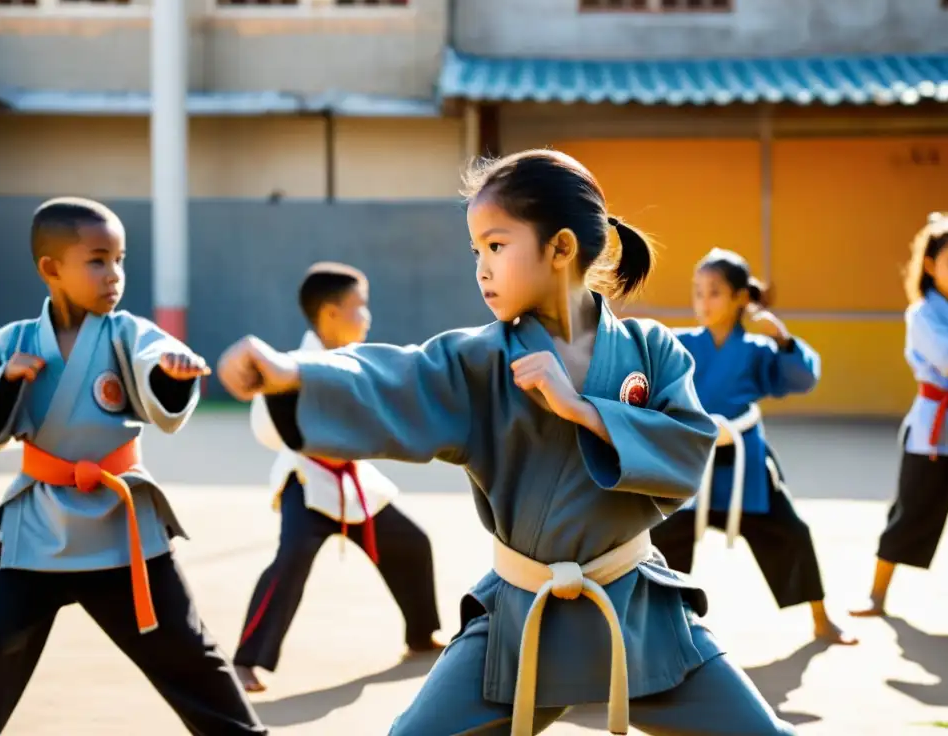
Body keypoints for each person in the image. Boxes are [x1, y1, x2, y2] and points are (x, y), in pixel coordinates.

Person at [217, 150, 796, 735]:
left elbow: (689, 448)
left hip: (641, 616)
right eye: (477, 251)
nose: (481, 268)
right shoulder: (479, 359)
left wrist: (585, 411)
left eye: (496, 246)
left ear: (561, 248)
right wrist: (295, 374)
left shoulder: (651, 349)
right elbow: (396, 377)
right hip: (519, 622)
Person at [0, 198, 266, 735]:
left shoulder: (127, 334)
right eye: (97, 260)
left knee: (189, 652)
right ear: (51, 268)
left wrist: (173, 372)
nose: (113, 275)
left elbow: (154, 365)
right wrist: (5, 380)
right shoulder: (12, 343)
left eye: (120, 260)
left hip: (122, 528)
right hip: (39, 525)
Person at [233, 262, 443, 693]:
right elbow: (266, 426)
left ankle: (421, 634)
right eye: (359, 307)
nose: (367, 316)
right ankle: (245, 662)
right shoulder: (289, 366)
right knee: (290, 563)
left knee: (412, 544)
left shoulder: (357, 359)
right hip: (307, 485)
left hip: (355, 485)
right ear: (330, 313)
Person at [650, 248, 856, 646]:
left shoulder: (759, 350)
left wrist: (780, 336)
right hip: (691, 462)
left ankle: (821, 618)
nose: (702, 302)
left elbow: (802, 378)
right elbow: (644, 365)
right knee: (660, 538)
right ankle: (667, 627)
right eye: (697, 292)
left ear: (741, 298)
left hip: (745, 464)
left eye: (713, 292)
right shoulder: (681, 344)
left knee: (792, 531)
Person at [850, 208, 948, 618]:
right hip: (933, 435)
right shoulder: (921, 313)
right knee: (909, 516)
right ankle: (877, 594)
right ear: (929, 266)